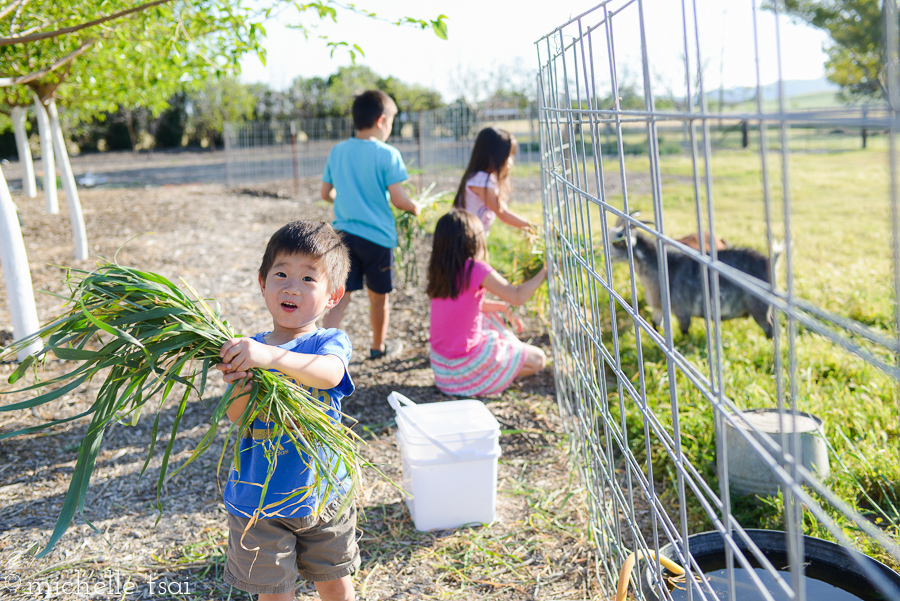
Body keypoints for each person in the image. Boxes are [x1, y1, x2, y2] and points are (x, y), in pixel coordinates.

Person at [216, 220, 358, 601]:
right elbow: (238, 417)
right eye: (281, 273)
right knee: (273, 592)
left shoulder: (328, 341)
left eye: (309, 278)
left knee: (334, 581)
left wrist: (269, 357)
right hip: (259, 503)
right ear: (262, 282)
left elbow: (330, 375)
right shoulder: (251, 350)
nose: (292, 286)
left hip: (323, 494)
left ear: (333, 296)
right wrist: (239, 381)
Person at [320, 89, 421, 360]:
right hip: (378, 239)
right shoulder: (388, 154)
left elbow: (325, 193)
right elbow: (399, 200)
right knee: (379, 298)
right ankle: (378, 347)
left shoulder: (338, 151)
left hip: (343, 237)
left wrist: (345, 202)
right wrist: (415, 207)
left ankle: (319, 349)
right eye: (391, 122)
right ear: (381, 121)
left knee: (340, 297)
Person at [426, 209, 547, 397]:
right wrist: (546, 270)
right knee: (538, 359)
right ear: (473, 240)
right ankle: (487, 378)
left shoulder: (440, 270)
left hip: (443, 372)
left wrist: (501, 306)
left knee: (488, 318)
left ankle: (491, 371)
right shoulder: (474, 268)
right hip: (465, 369)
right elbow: (517, 296)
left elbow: (462, 308)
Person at [453, 126, 536, 236]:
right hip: (463, 240)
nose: (511, 162)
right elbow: (503, 214)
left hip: (468, 238)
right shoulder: (481, 181)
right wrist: (533, 227)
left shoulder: (483, 178)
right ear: (494, 156)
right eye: (509, 156)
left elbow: (503, 210)